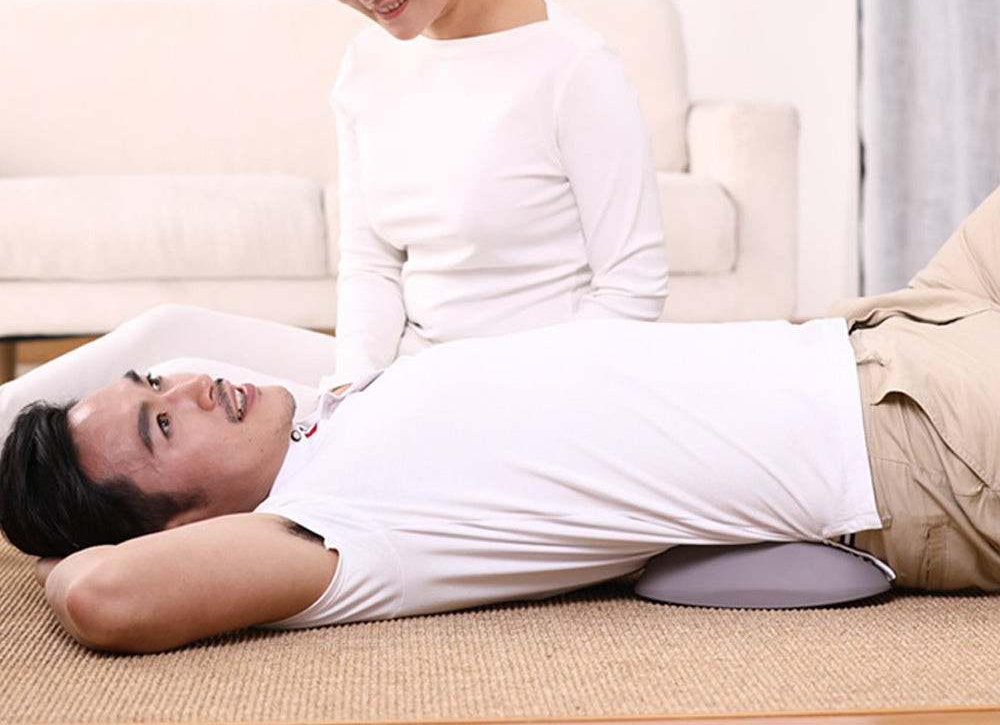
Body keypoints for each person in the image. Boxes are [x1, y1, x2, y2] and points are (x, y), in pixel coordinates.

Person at [5, 182, 1000, 653]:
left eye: (154, 383)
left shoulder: (328, 406)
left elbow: (172, 327)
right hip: (915, 438)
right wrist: (57, 548)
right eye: (161, 430)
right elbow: (104, 595)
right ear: (186, 529)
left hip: (884, 322)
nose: (186, 389)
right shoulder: (333, 529)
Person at [285, 0, 670, 388]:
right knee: (170, 345)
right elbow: (372, 265)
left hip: (538, 396)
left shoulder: (573, 66)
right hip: (410, 385)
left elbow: (632, 287)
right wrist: (352, 393)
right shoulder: (365, 64)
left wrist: (495, 403)